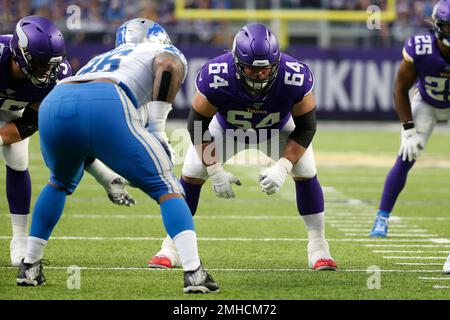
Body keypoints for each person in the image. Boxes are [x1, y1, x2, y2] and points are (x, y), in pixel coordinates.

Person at [16, 18, 219, 294]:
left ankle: (29, 265)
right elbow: (168, 66)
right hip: (106, 99)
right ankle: (194, 272)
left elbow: (88, 131)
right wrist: (158, 130)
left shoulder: (104, 56)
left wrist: (110, 173)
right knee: (168, 188)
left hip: (56, 101)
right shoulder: (161, 52)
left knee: (58, 183)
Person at [148, 23, 338, 271]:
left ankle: (319, 247)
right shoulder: (216, 75)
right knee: (193, 172)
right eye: (251, 68)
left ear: (276, 62)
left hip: (277, 130)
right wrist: (215, 169)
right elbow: (197, 126)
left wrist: (282, 166)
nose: (259, 75)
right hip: (228, 130)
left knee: (305, 169)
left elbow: (307, 127)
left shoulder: (294, 76)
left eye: (265, 68)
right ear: (237, 63)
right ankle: (170, 247)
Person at [0, 15, 134, 267]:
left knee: (19, 159)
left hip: (16, 111)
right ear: (20, 54)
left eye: (50, 64)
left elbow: (33, 122)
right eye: (40, 65)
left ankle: (19, 240)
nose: (47, 71)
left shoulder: (57, 74)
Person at [370, 0, 450, 238]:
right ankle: (382, 217)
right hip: (426, 103)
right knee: (407, 155)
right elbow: (400, 88)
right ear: (437, 26)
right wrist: (408, 129)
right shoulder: (421, 47)